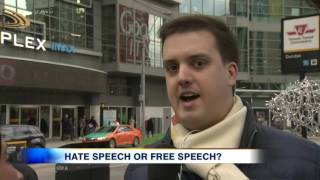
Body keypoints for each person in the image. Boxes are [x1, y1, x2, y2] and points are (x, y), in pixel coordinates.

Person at [124, 15, 320, 180]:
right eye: (172, 67)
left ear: (231, 73)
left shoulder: (305, 164)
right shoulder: (142, 168)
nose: (182, 77)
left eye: (198, 63)